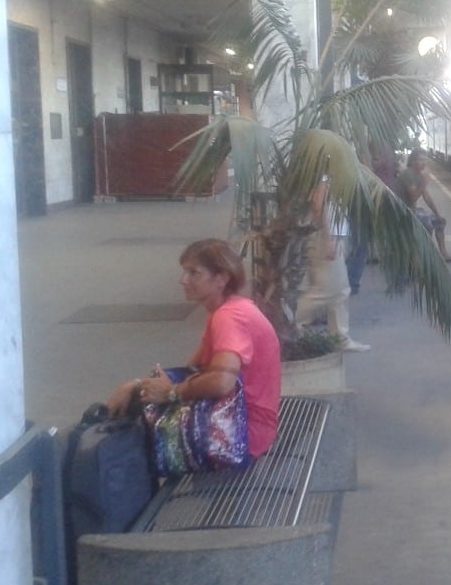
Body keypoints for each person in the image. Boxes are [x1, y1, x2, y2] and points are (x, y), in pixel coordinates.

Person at [105, 239, 283, 458]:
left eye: (194, 273)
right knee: (138, 414)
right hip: (239, 420)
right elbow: (194, 369)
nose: (183, 280)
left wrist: (171, 392)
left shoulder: (229, 318)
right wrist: (138, 385)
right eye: (184, 272)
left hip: (242, 433)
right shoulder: (232, 308)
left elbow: (220, 382)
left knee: (132, 435)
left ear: (222, 278)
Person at [296, 174, 370, 351]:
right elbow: (318, 204)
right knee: (326, 290)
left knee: (341, 291)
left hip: (333, 235)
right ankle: (290, 321)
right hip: (325, 238)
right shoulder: (324, 170)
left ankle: (340, 337)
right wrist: (327, 239)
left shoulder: (332, 166)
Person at [396, 148, 451, 263]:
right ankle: (423, 254)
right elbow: (413, 197)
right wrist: (425, 182)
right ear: (413, 161)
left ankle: (444, 254)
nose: (424, 163)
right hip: (402, 212)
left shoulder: (419, 175)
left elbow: (427, 197)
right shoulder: (408, 174)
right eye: (421, 160)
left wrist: (438, 214)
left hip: (411, 210)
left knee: (439, 221)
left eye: (425, 160)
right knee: (426, 223)